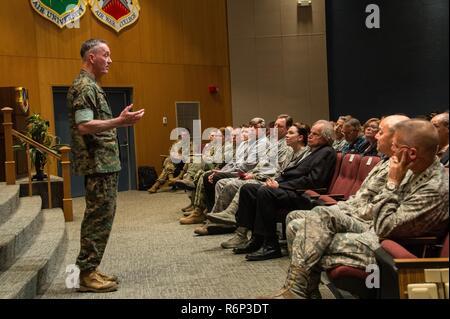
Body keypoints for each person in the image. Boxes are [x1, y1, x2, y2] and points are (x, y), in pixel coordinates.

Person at [266, 119, 449, 299]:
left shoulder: (434, 187)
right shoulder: (415, 169)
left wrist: (392, 183)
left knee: (308, 238)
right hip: (375, 233)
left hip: (391, 249)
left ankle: (298, 292)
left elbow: (385, 226)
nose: (390, 150)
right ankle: (302, 292)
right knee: (313, 224)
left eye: (395, 146)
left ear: (411, 153)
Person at [68, 39, 144, 292]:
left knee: (102, 217)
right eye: (106, 55)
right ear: (92, 57)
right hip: (97, 163)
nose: (110, 60)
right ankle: (85, 273)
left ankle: (91, 268)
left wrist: (119, 122)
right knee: (97, 218)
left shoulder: (92, 86)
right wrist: (119, 122)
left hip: (104, 163)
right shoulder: (84, 87)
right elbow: (84, 125)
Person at [232, 120, 337, 261]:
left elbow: (313, 181)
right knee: (248, 188)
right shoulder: (314, 151)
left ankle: (271, 245)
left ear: (325, 137)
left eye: (315, 134)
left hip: (303, 194)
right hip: (292, 188)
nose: (310, 136)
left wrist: (279, 185)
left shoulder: (326, 152)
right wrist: (276, 182)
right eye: (310, 132)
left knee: (265, 192)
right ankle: (256, 239)